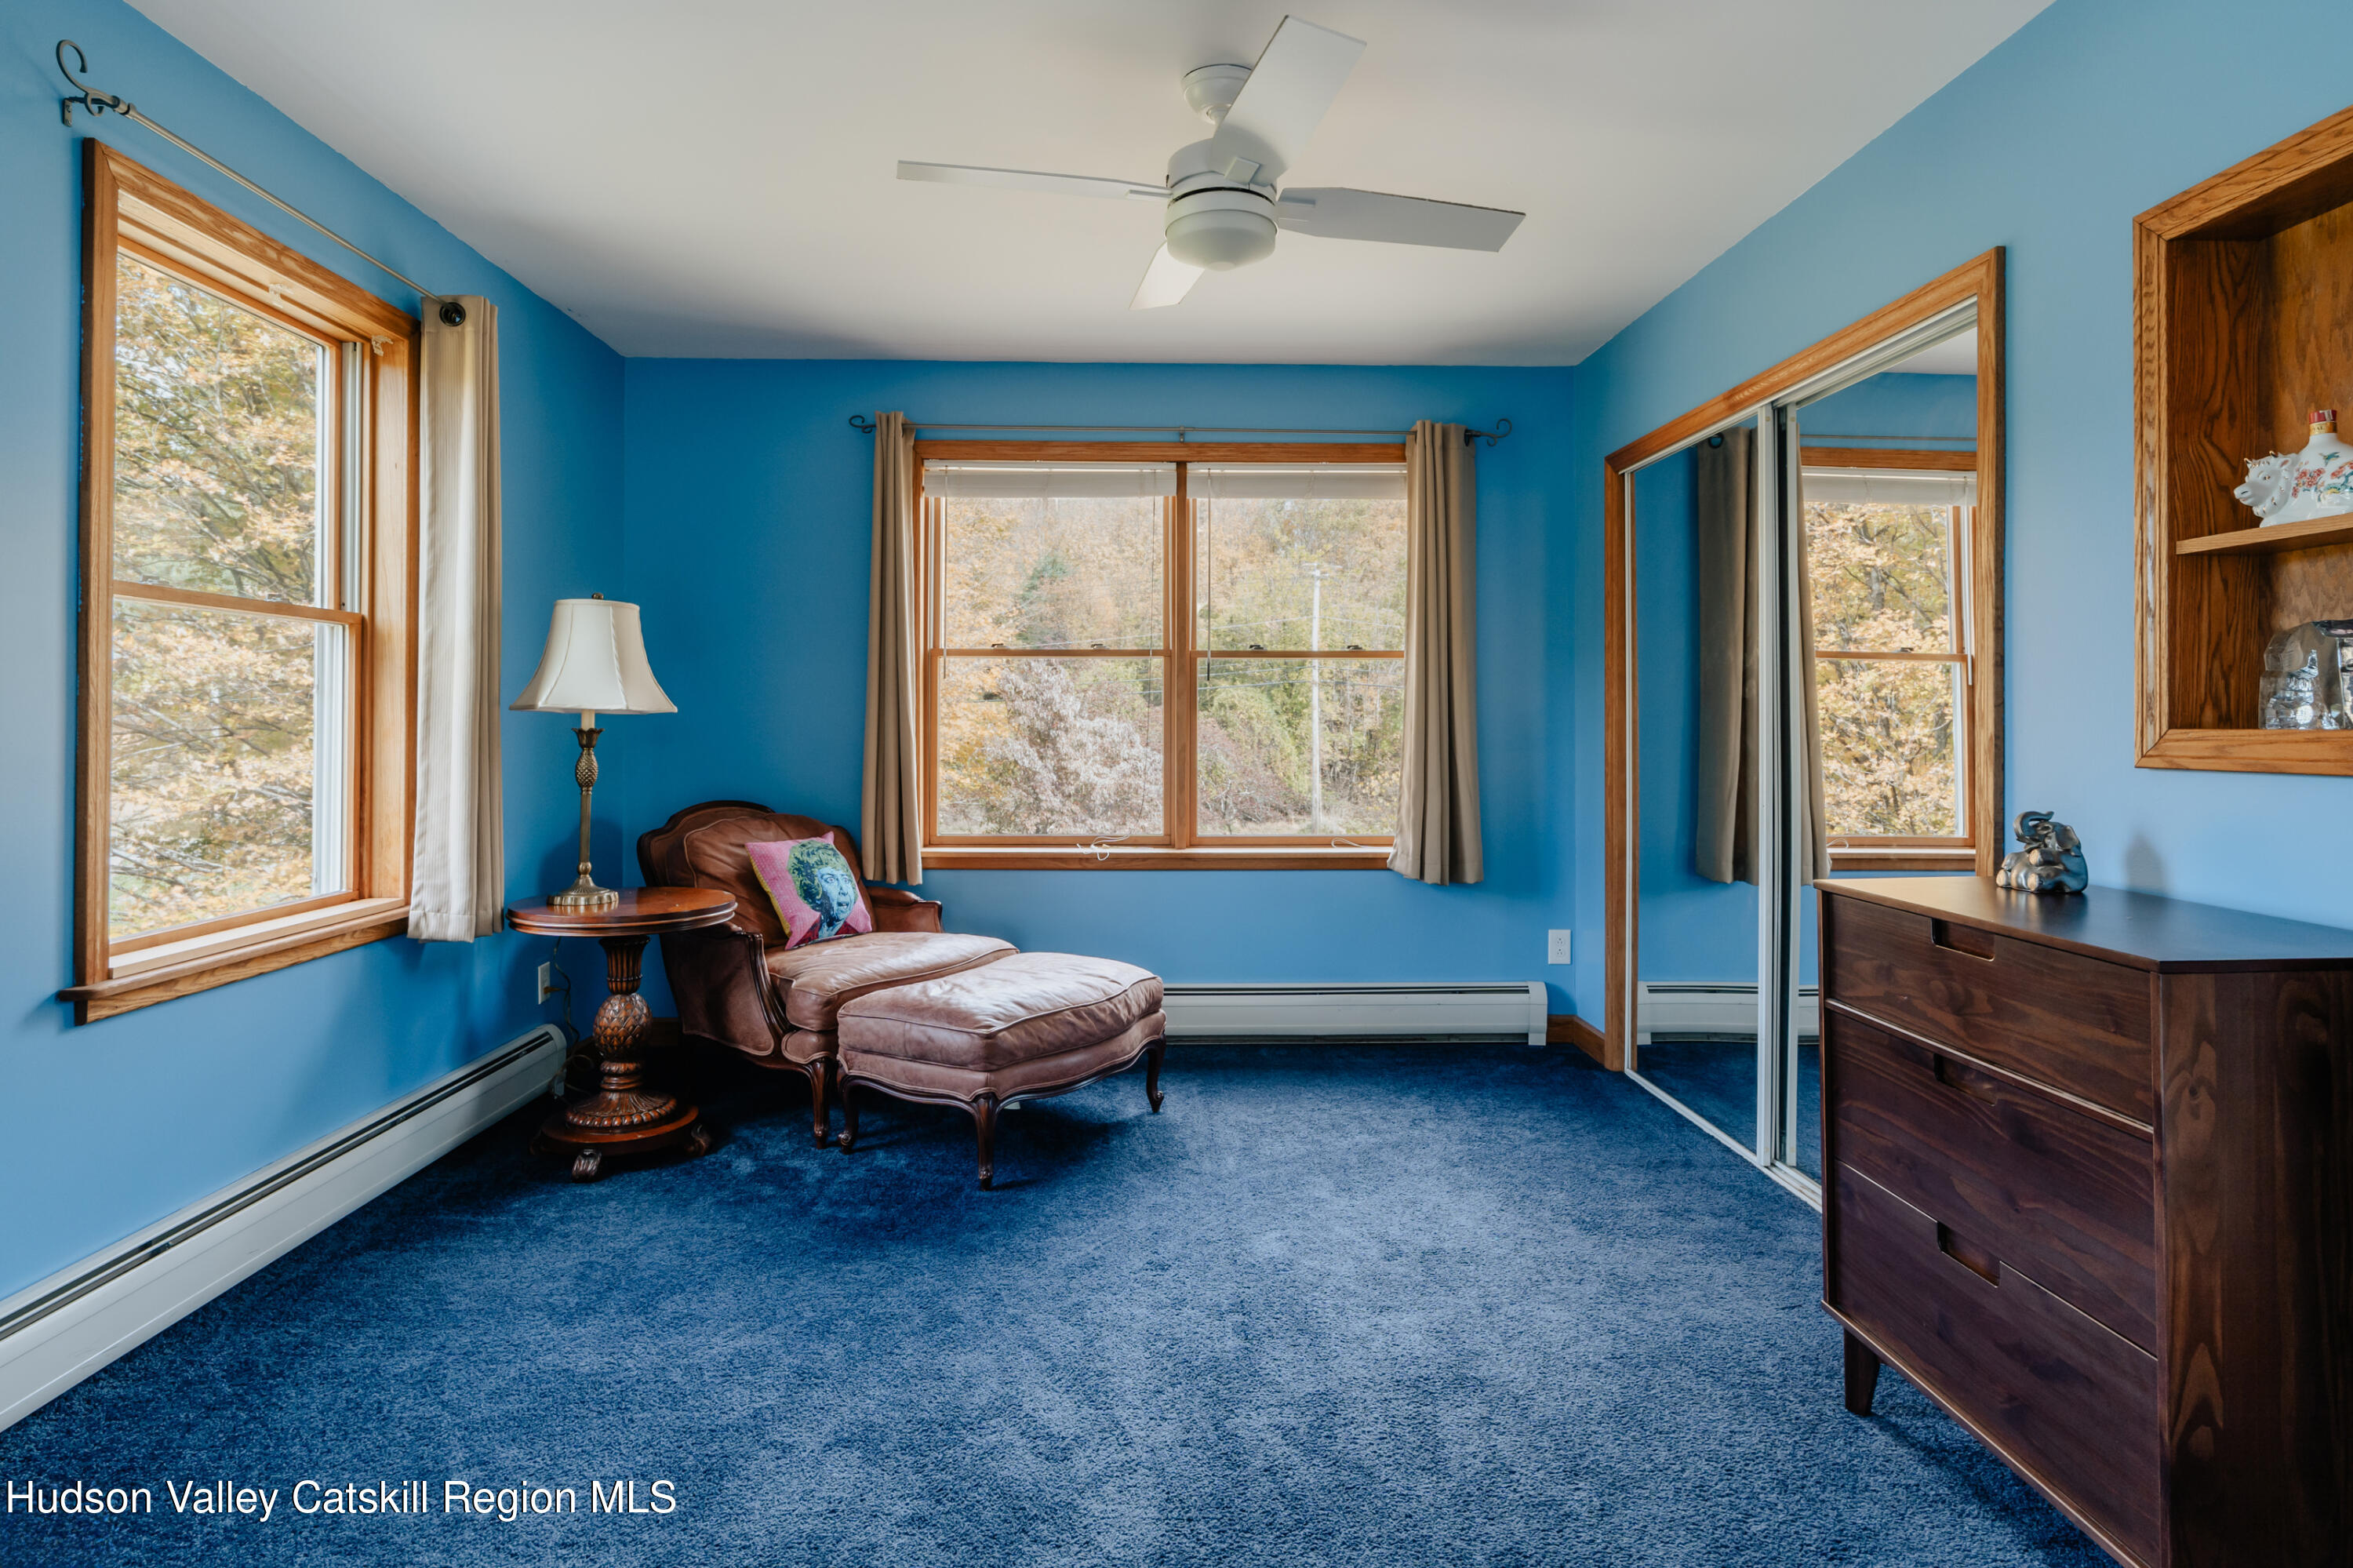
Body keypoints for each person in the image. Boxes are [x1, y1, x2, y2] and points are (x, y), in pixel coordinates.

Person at [787, 839, 864, 941]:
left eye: (845, 879)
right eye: (831, 880)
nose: (844, 890)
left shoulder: (855, 933)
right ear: (813, 889)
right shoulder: (808, 936)